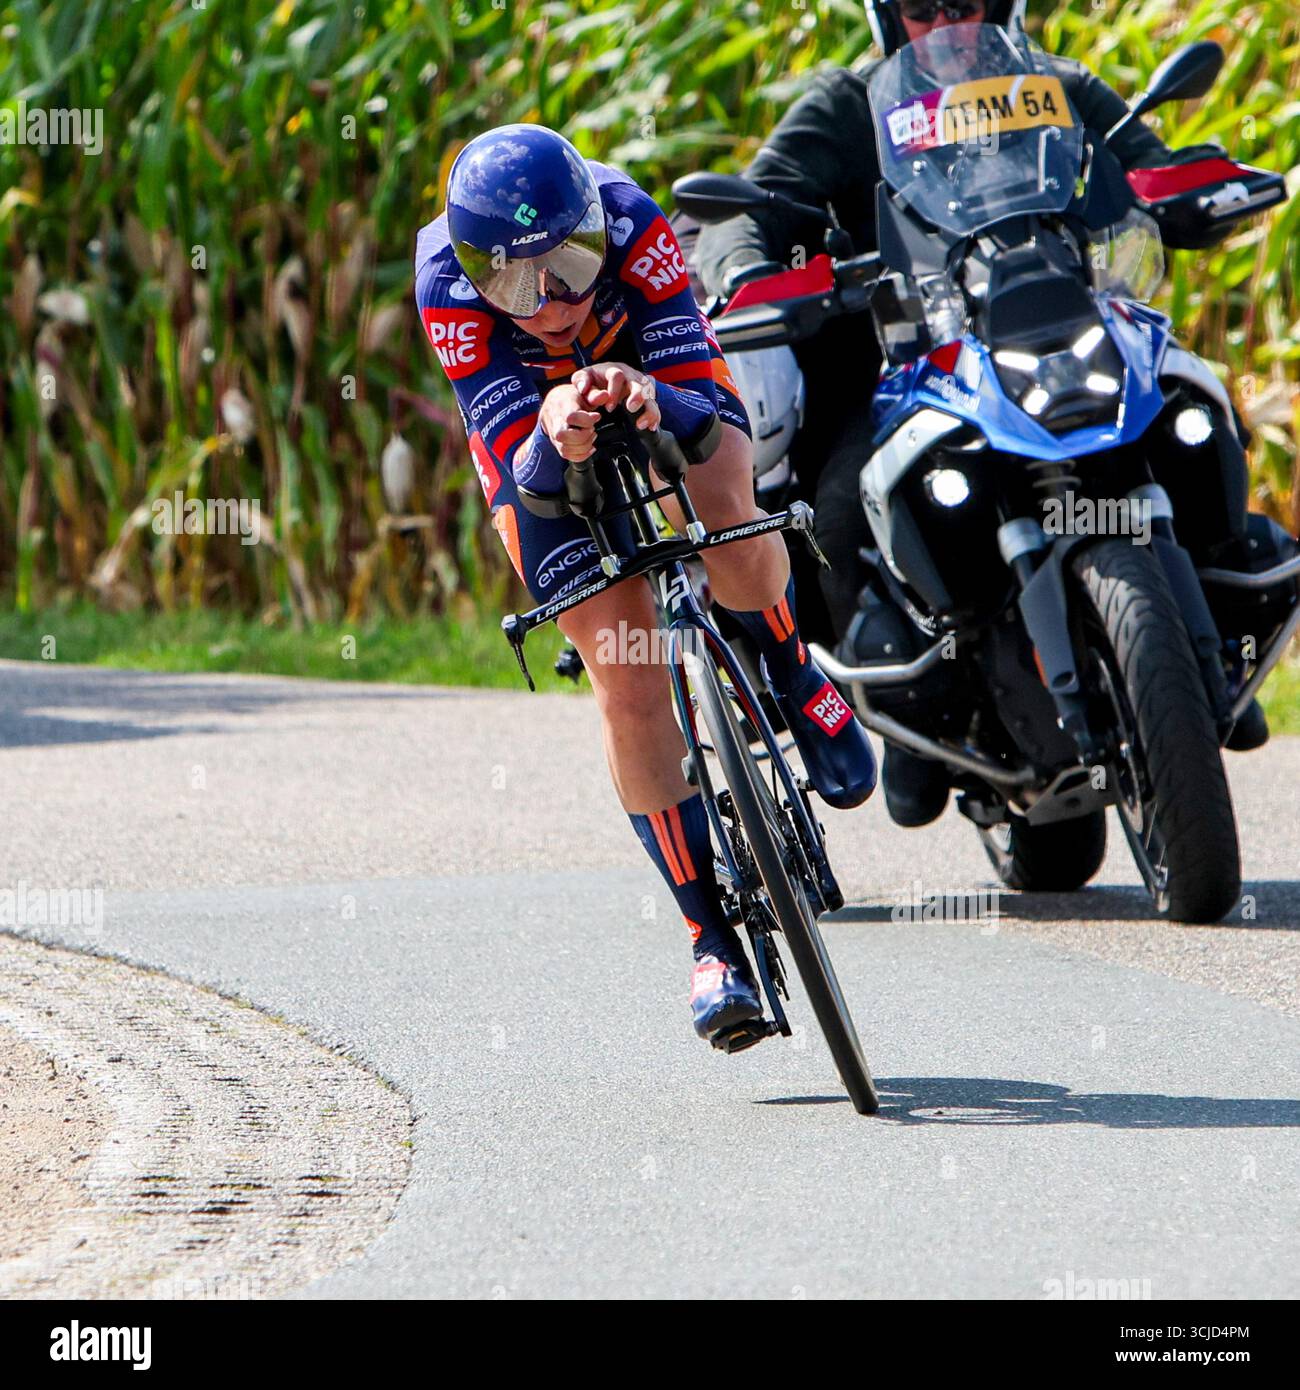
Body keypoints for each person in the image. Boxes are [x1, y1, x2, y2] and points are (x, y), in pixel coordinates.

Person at [694, 0, 1269, 829]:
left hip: (1062, 331)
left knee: (1191, 408)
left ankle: (1200, 627)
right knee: (842, 511)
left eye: (965, 3)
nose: (948, 24)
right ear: (891, 19)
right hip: (909, 362)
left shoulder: (1057, 85)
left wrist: (1192, 189)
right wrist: (749, 269)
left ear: (1000, 8)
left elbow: (1146, 164)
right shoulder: (846, 105)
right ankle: (915, 725)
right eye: (924, 9)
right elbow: (753, 206)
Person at [414, 125, 877, 1048]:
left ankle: (794, 672)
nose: (547, 302)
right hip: (535, 432)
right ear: (477, 273)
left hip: (657, 372)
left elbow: (702, 413)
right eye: (515, 280)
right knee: (625, 678)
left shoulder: (634, 222)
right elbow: (526, 477)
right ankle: (710, 940)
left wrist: (652, 396)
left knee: (726, 499)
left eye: (570, 262)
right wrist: (552, 428)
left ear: (597, 228)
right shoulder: (446, 292)